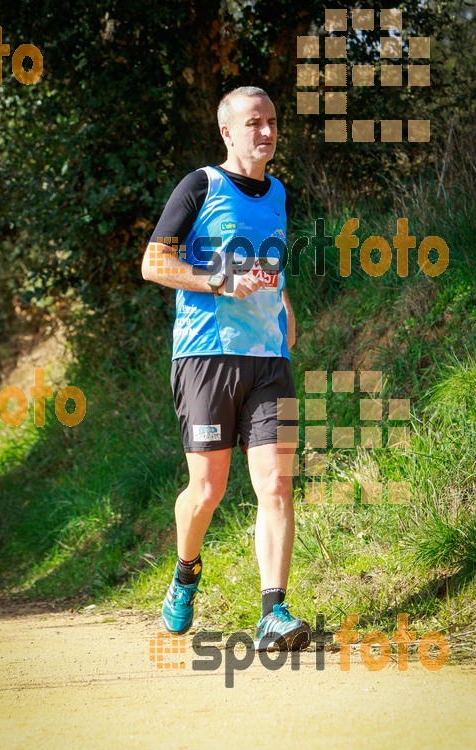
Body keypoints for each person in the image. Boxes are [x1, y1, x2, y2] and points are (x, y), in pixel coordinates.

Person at [141, 86, 311, 652]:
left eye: (272, 122)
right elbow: (154, 262)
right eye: (253, 123)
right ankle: (186, 571)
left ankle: (274, 611)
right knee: (207, 490)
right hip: (206, 356)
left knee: (276, 484)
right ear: (227, 132)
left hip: (268, 360)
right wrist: (219, 280)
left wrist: (283, 305)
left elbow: (272, 262)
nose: (265, 132)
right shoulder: (201, 186)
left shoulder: (280, 192)